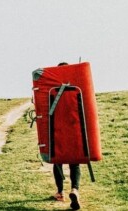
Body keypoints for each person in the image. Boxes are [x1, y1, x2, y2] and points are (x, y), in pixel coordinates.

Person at [52, 62, 81, 210]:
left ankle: (60, 192)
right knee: (74, 163)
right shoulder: (76, 89)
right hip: (74, 130)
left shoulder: (51, 90)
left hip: (57, 131)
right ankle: (74, 189)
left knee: (58, 162)